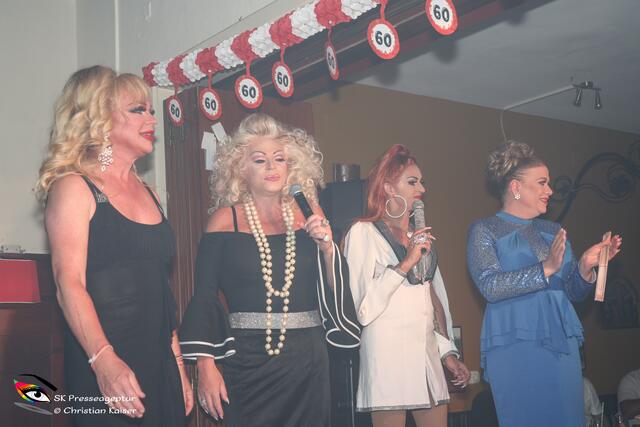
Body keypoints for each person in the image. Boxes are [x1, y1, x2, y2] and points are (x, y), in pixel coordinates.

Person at [178, 113, 360, 427]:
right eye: (260, 160)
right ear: (240, 168)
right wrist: (206, 368)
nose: (272, 167)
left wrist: (328, 248)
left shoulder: (309, 213)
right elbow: (204, 298)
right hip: (246, 360)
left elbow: (334, 288)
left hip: (308, 361)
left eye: (280, 159)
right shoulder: (224, 220)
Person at [35, 66, 193, 425]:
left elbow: (161, 294)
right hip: (105, 368)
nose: (151, 118)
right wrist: (103, 361)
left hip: (160, 369)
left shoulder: (151, 194)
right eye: (138, 110)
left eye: (150, 110)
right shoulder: (75, 187)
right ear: (101, 120)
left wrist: (179, 368)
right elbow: (68, 283)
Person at [466, 141, 622, 427]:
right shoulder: (485, 230)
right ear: (516, 187)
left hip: (561, 342)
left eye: (548, 183)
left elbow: (573, 291)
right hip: (514, 341)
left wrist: (586, 267)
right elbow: (490, 286)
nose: (550, 190)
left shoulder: (553, 231)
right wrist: (545, 268)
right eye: (542, 183)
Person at [343, 144, 470, 427]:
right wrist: (404, 264)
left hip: (426, 357)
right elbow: (362, 309)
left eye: (422, 182)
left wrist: (447, 353)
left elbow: (435, 302)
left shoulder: (420, 238)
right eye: (412, 182)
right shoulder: (363, 233)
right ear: (388, 187)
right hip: (388, 356)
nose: (421, 189)